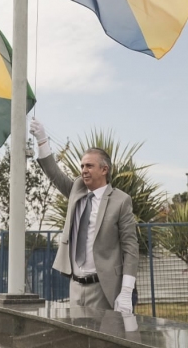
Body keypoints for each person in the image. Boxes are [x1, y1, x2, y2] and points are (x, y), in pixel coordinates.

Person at [29, 119, 138, 312]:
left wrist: (127, 290)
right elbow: (54, 173)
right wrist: (42, 140)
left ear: (104, 170)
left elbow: (130, 247)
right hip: (76, 286)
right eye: (82, 166)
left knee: (105, 341)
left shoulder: (121, 201)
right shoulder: (77, 191)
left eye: (89, 166)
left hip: (105, 288)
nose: (84, 171)